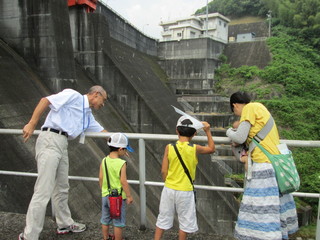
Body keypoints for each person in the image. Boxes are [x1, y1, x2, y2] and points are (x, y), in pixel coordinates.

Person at [19, 86, 108, 240]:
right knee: (43, 190)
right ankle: (29, 236)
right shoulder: (73, 96)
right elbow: (45, 100)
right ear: (96, 94)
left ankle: (65, 223)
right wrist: (32, 123)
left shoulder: (87, 115)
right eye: (103, 100)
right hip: (50, 140)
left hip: (62, 144)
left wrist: (122, 144)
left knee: (62, 187)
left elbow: (103, 133)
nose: (103, 104)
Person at [226, 91, 298, 240]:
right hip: (272, 165)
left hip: (263, 168)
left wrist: (229, 132)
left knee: (261, 211)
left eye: (235, 112)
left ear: (235, 105)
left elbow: (240, 136)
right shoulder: (260, 108)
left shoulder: (249, 109)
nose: (238, 115)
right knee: (272, 210)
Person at [154, 116, 215, 240]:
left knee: (163, 218)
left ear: (177, 130)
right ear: (194, 133)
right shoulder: (194, 148)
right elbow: (211, 149)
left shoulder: (169, 147)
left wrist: (168, 182)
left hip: (169, 188)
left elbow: (163, 170)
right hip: (185, 190)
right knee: (185, 221)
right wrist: (208, 131)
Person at [99, 132, 134, 240]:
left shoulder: (104, 160)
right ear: (120, 149)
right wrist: (128, 196)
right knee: (118, 222)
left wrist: (103, 190)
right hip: (117, 198)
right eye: (125, 149)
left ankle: (105, 238)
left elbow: (100, 178)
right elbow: (123, 181)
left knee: (105, 219)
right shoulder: (121, 163)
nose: (126, 151)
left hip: (105, 195)